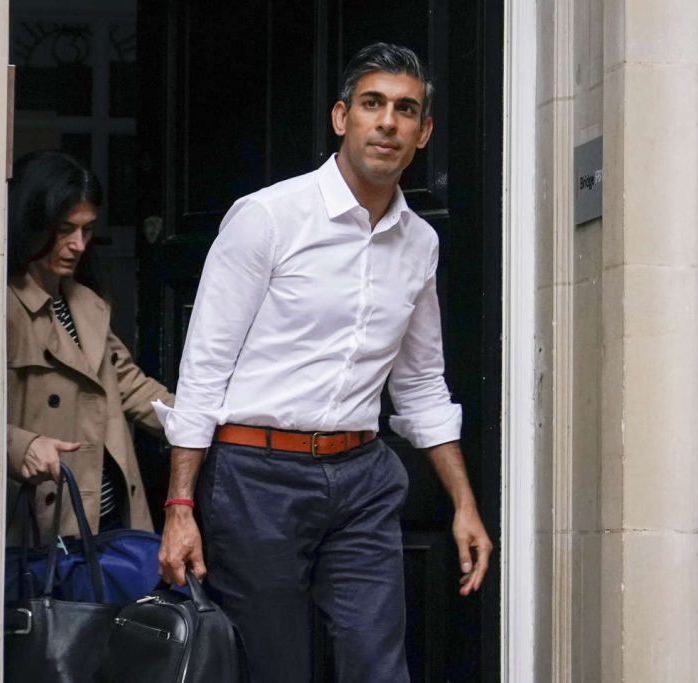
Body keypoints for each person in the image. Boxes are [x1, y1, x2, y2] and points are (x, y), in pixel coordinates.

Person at [156, 43, 492, 682]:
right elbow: (203, 369)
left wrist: (463, 504)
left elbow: (419, 383)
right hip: (257, 478)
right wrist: (180, 506)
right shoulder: (268, 218)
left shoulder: (420, 243)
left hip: (362, 477)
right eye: (372, 104)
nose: (387, 122)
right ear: (342, 118)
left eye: (405, 109)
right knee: (274, 668)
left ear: (424, 133)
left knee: (378, 666)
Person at [6, 150, 173, 539]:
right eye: (65, 229)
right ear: (32, 222)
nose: (78, 244)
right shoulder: (0, 306)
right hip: (44, 524)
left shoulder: (86, 301)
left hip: (110, 516)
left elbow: (131, 385)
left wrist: (202, 425)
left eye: (86, 230)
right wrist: (21, 446)